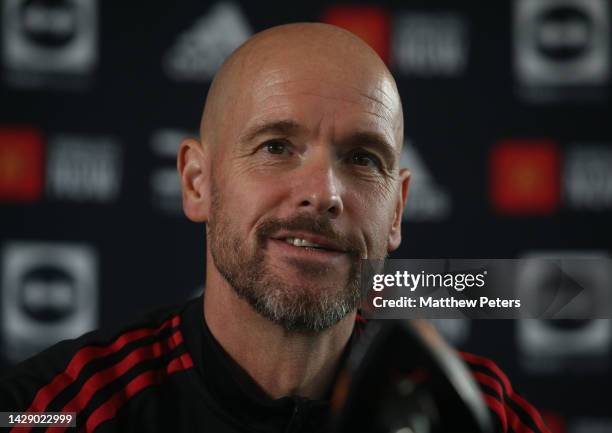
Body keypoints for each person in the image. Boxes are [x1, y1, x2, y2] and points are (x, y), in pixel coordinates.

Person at [0, 23, 550, 433]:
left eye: (362, 158)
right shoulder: (56, 410)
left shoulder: (483, 415)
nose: (324, 194)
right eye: (276, 147)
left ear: (398, 211)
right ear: (197, 183)